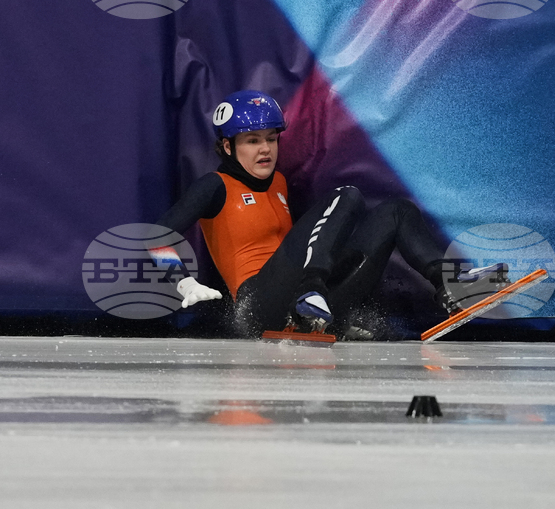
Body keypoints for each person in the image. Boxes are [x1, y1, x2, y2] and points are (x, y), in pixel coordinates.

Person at [152, 90, 507, 339]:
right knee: (347, 196)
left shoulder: (278, 182)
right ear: (228, 146)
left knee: (396, 211)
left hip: (299, 305)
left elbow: (310, 243)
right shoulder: (216, 184)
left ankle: (452, 287)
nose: (265, 149)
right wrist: (182, 281)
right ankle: (311, 295)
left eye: (271, 139)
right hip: (257, 307)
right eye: (252, 140)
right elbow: (157, 237)